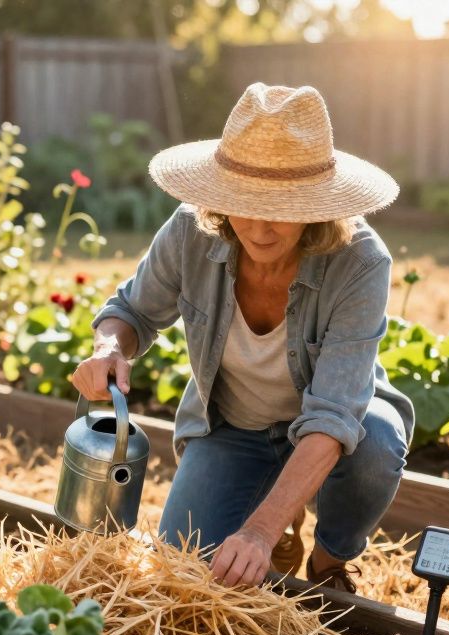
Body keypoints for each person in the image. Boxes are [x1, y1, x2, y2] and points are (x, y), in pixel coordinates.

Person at [70, 83, 415, 592]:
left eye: (283, 207)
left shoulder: (360, 261)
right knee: (183, 571)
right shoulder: (190, 231)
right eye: (242, 203)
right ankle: (279, 514)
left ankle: (328, 560)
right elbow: (131, 311)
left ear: (316, 206)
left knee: (379, 443)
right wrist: (110, 349)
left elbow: (336, 414)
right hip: (232, 427)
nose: (258, 227)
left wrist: (258, 531)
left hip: (333, 433)